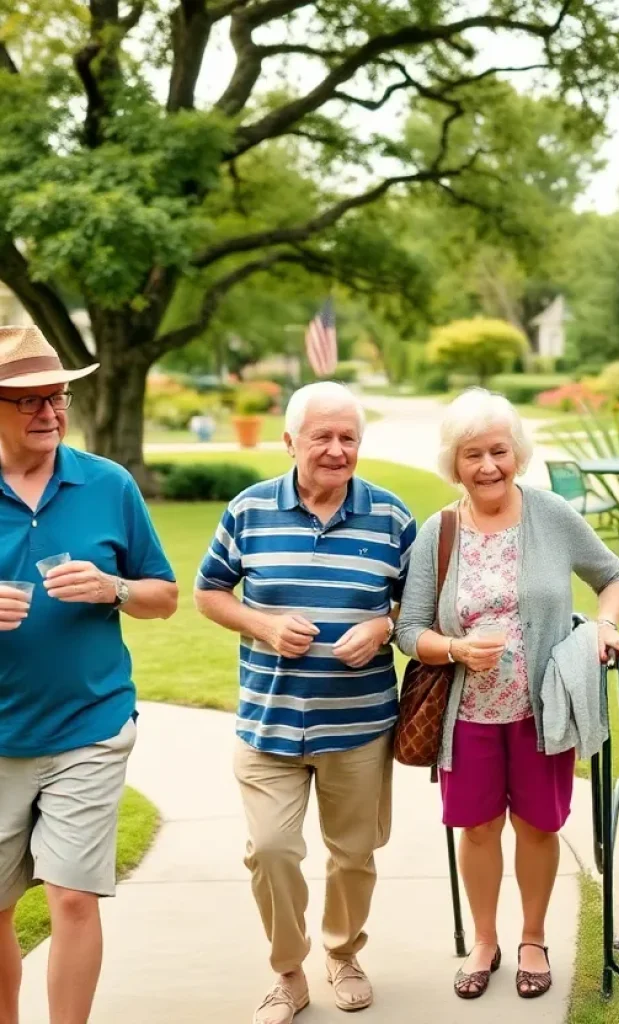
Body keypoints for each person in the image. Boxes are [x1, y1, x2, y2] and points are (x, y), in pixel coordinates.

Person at [395, 388, 619, 1001]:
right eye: (472, 454)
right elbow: (407, 629)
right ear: (455, 463)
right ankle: (484, 940)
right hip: (467, 713)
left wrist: (605, 624)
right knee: (477, 829)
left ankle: (532, 938)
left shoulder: (551, 514)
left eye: (499, 450)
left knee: (537, 826)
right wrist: (453, 650)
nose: (488, 466)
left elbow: (616, 576)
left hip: (542, 708)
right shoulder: (438, 532)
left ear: (517, 453)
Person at [195, 382, 416, 1023]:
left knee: (352, 854)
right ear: (290, 441)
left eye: (349, 437)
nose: (337, 450)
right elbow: (210, 593)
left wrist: (382, 628)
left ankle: (344, 954)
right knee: (269, 850)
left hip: (359, 724)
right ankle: (288, 973)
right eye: (322, 436)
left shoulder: (392, 517)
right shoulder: (249, 511)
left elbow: (419, 610)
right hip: (268, 720)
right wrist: (263, 625)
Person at [0, 324, 178, 1024]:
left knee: (72, 895)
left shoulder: (109, 485)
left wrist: (114, 588)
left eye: (59, 397)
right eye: (28, 401)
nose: (49, 412)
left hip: (90, 726)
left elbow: (163, 594)